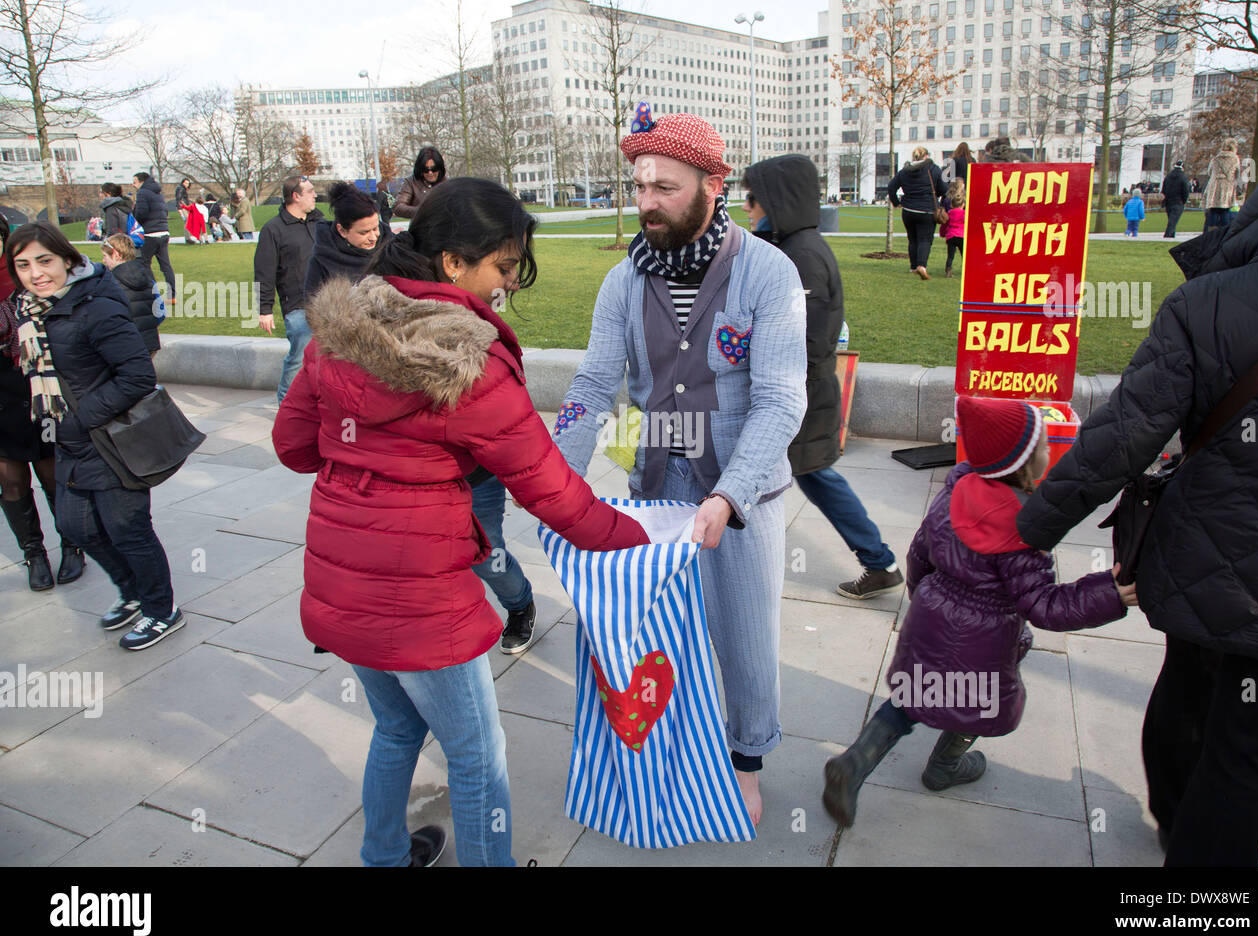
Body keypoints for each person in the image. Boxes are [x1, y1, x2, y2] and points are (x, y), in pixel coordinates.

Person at [272, 177, 650, 867]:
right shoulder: (465, 362)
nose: (506, 284)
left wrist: (365, 447)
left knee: (395, 727)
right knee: (478, 754)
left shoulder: (340, 334)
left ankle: (384, 855)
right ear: (452, 263)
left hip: (340, 572)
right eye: (502, 267)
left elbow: (293, 447)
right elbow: (555, 495)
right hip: (417, 592)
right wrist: (646, 538)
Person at [1016, 139, 1258, 867]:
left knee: (1195, 702)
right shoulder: (1213, 301)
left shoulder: (1212, 302)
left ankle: (1183, 843)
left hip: (1211, 558)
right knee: (1245, 752)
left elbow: (1120, 438)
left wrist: (1033, 526)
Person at [552, 109, 808, 826]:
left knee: (744, 635)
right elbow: (591, 386)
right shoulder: (622, 281)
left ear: (712, 184)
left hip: (741, 487)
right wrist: (554, 475)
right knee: (657, 637)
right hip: (656, 480)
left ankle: (746, 761)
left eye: (664, 187)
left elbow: (784, 398)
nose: (647, 202)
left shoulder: (769, 273)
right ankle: (672, 748)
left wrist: (729, 496)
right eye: (639, 187)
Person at [822, 395, 1136, 827]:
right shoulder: (1025, 528)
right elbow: (1044, 605)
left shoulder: (954, 493)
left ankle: (854, 763)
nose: (1049, 453)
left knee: (913, 696)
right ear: (1022, 465)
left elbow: (919, 554)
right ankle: (943, 767)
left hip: (932, 617)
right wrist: (1110, 593)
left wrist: (924, 600)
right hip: (985, 639)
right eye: (1043, 447)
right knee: (978, 705)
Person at [7, 222, 182, 649]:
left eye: (45, 261)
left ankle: (162, 610)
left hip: (109, 439)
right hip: (71, 441)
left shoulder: (96, 306)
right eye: (23, 265)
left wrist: (79, 417)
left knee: (128, 529)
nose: (36, 273)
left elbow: (138, 375)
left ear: (67, 259)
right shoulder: (30, 310)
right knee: (76, 527)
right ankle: (134, 592)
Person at [742, 154, 904, 602]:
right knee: (811, 478)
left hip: (803, 396)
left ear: (778, 201)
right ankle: (879, 562)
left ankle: (879, 561)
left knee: (802, 478)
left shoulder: (803, 255)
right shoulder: (795, 246)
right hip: (804, 392)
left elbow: (803, 339)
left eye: (753, 199)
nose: (746, 208)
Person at [0, 213, 84, 590]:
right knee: (11, 481)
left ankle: (72, 544)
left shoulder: (28, 279)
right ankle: (33, 552)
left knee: (53, 474)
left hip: (39, 392)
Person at [254, 175, 322, 403]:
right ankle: (286, 401)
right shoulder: (273, 230)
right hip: (297, 305)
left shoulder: (318, 221)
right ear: (296, 196)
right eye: (310, 191)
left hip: (329, 301)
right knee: (300, 355)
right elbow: (264, 271)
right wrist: (265, 310)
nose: (315, 195)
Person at [302, 183, 392, 296]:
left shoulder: (393, 249)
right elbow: (312, 305)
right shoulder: (322, 259)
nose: (373, 237)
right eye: (364, 232)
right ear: (342, 231)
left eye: (375, 228)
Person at [886, 146, 946, 279]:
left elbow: (891, 186)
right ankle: (921, 266)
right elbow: (943, 189)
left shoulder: (904, 171)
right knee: (925, 239)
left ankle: (913, 267)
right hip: (927, 210)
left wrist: (896, 202)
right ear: (926, 156)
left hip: (908, 210)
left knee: (912, 239)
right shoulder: (933, 169)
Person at [101, 234, 163, 359]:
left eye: (105, 256)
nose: (103, 260)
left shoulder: (110, 283)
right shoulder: (147, 276)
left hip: (124, 346)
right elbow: (161, 312)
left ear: (116, 255)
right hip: (149, 343)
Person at [131, 172, 175, 304]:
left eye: (135, 181)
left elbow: (142, 213)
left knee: (144, 263)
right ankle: (172, 295)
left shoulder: (142, 193)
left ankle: (154, 294)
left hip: (150, 233)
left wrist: (135, 218)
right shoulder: (158, 193)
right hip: (163, 231)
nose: (133, 185)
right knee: (165, 265)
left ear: (141, 181)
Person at [394, 146, 446, 218]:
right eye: (426, 169)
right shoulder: (411, 182)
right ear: (420, 169)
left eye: (434, 169)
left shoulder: (447, 183)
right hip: (421, 227)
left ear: (440, 168)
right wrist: (422, 211)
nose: (430, 173)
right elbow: (398, 207)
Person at [1202, 138, 1240, 234]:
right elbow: (1237, 174)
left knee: (1213, 209)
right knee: (1225, 209)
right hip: (1227, 185)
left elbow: (1209, 172)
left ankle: (1211, 233)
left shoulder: (1216, 158)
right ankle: (1224, 232)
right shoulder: (1235, 159)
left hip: (1214, 185)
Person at [940, 178, 966, 277]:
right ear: (963, 205)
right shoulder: (964, 214)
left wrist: (943, 233)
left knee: (950, 255)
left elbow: (945, 224)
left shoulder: (949, 213)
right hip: (961, 236)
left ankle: (948, 270)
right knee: (964, 254)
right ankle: (967, 270)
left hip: (951, 236)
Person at [1160, 160, 1191, 238]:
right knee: (1173, 222)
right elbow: (1186, 190)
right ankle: (1167, 236)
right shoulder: (1183, 177)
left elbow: (1163, 189)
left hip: (1168, 201)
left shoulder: (1168, 176)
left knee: (1171, 220)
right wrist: (1184, 200)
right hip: (1178, 201)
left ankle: (1171, 236)